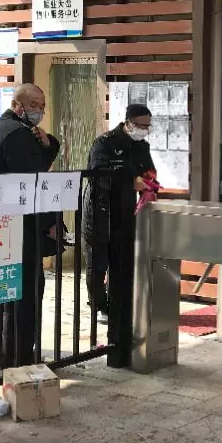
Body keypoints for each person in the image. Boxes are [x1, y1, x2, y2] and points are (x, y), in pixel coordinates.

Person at [0, 83, 60, 368]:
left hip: (5, 225)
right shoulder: (16, 134)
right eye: (34, 105)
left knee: (8, 295)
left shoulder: (2, 129)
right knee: (23, 296)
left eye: (42, 105)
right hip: (21, 227)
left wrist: (47, 145)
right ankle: (19, 360)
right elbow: (35, 182)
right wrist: (50, 222)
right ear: (17, 105)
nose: (39, 110)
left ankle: (6, 359)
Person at [83, 104, 155, 325]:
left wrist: (150, 182)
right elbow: (97, 174)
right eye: (141, 125)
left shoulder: (141, 146)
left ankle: (118, 306)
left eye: (148, 126)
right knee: (97, 264)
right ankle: (99, 305)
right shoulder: (104, 143)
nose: (144, 130)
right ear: (128, 123)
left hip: (125, 211)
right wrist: (130, 180)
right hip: (100, 211)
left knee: (121, 262)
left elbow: (147, 170)